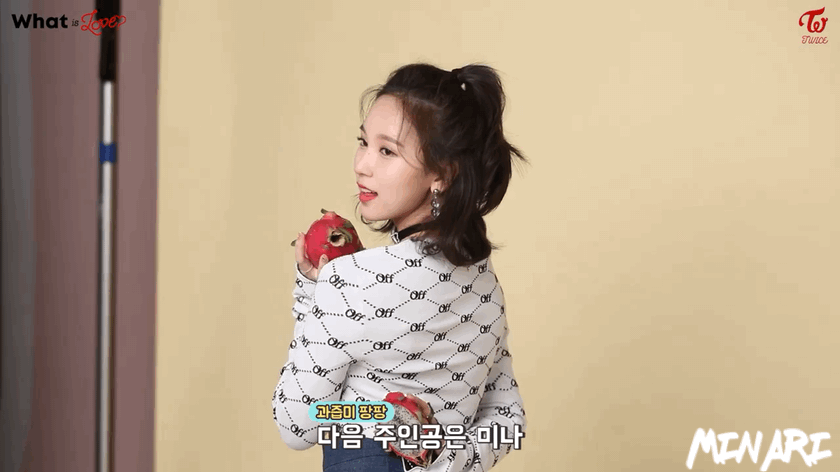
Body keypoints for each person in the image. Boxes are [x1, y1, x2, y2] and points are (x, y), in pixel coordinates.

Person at [272, 62, 529, 472]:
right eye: (363, 142)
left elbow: (297, 424)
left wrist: (311, 293)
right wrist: (438, 454)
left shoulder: (349, 281)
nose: (362, 164)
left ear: (442, 173)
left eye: (387, 151)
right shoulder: (483, 283)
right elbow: (508, 423)